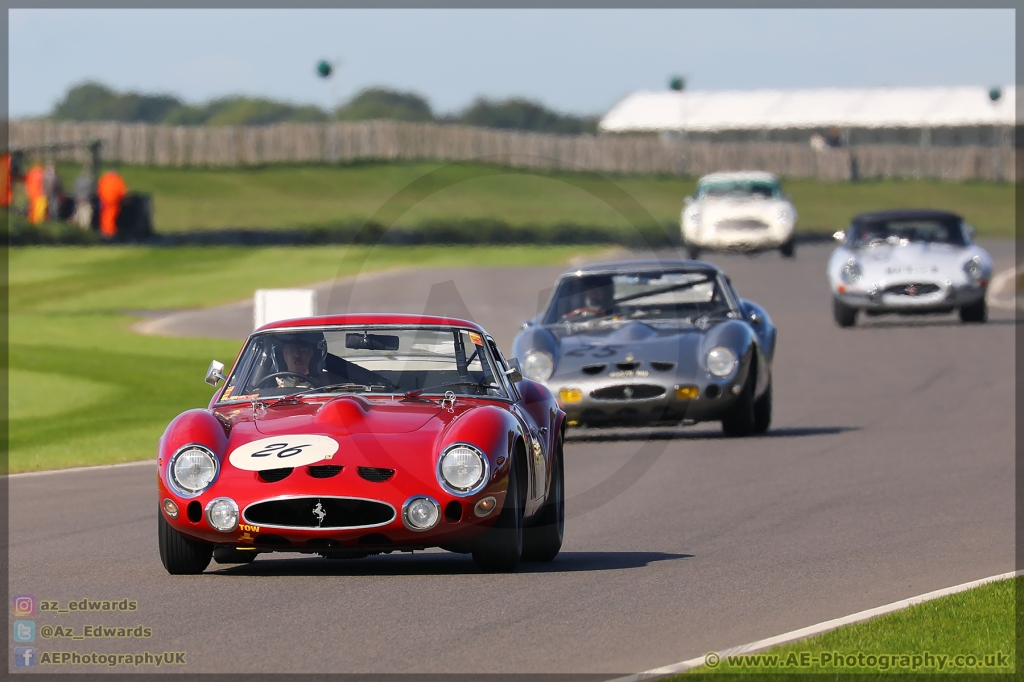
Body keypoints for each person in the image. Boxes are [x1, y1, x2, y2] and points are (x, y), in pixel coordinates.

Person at [97, 167, 127, 237]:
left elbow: (99, 189)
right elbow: (121, 191)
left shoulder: (104, 178)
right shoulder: (117, 180)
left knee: (104, 215)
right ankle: (110, 231)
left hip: (103, 200)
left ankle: (104, 230)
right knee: (111, 215)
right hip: (113, 201)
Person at [73, 165, 97, 229]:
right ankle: (85, 233)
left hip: (78, 202)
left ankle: (81, 233)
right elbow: (92, 192)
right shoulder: (90, 181)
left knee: (80, 219)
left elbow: (75, 190)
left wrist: (77, 198)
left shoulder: (77, 180)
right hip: (86, 202)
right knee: (86, 221)